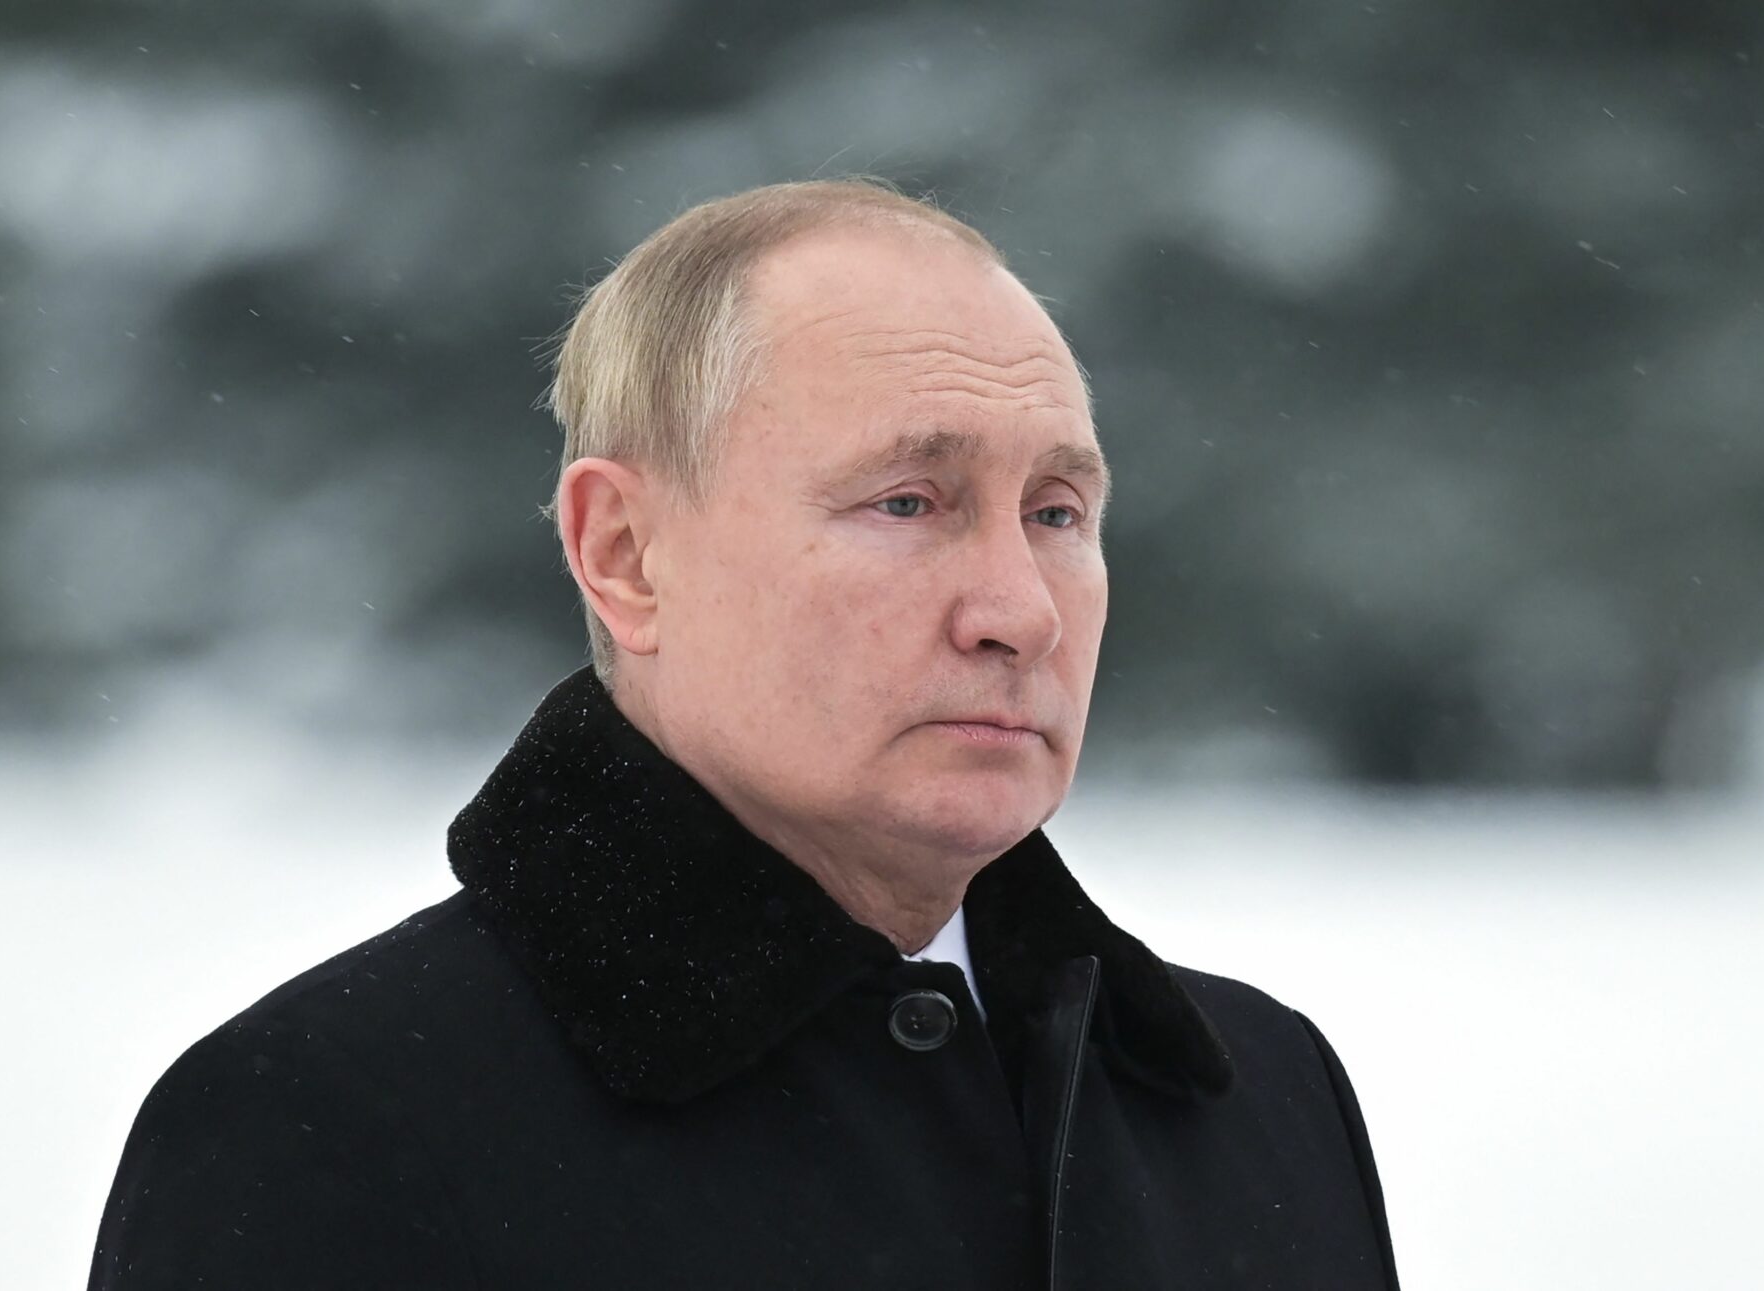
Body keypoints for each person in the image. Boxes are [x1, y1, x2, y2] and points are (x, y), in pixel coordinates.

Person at [88, 178, 1399, 1289]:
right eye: (907, 500)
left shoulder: (1257, 1105)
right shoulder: (327, 1124)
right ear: (628, 555)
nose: (1019, 612)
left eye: (1057, 513)